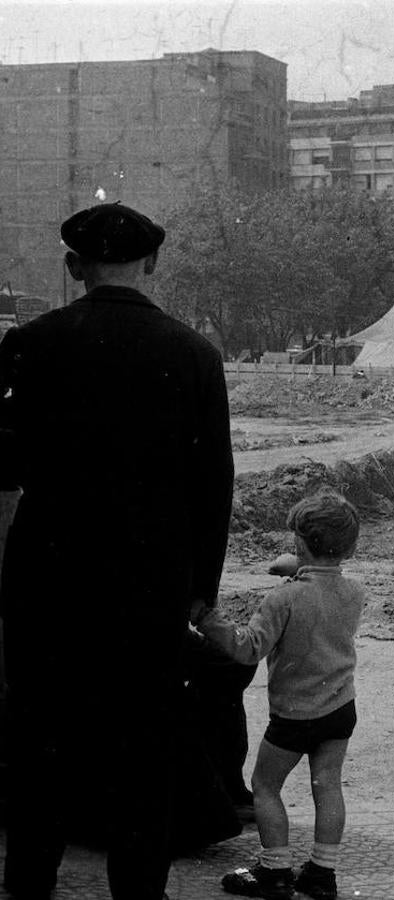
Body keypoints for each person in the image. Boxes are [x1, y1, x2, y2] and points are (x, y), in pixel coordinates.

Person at [0, 202, 234, 899]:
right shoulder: (195, 355)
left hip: (47, 577)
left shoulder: (30, 344)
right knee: (143, 752)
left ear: (74, 266)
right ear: (152, 263)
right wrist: (200, 589)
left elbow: (4, 461)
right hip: (150, 582)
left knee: (39, 743)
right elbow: (213, 484)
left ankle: (30, 886)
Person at [193, 490, 366, 900]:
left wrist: (208, 620)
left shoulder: (283, 598)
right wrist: (305, 568)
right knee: (328, 786)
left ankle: (275, 871)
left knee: (265, 785)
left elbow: (248, 648)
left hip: (294, 715)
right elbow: (322, 591)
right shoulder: (355, 592)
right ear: (348, 547)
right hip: (340, 708)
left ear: (301, 544)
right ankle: (321, 873)